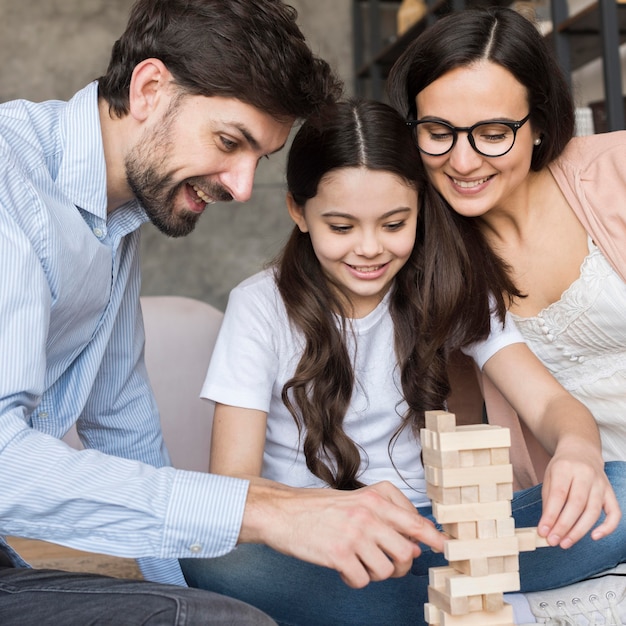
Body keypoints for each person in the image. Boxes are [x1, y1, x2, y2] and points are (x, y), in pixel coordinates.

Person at [0, 1, 450, 624]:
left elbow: (123, 424)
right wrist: (266, 510)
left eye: (258, 159)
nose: (241, 189)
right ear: (150, 88)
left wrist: (188, 598)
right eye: (229, 142)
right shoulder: (9, 182)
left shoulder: (117, 220)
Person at [179, 98, 626, 626]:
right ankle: (476, 603)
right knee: (212, 554)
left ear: (420, 208)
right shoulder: (260, 306)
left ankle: (431, 602)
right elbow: (234, 487)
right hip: (318, 537)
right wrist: (331, 516)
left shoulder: (452, 287)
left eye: (394, 224)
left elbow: (549, 402)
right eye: (341, 227)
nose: (369, 249)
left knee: (618, 490)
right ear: (299, 212)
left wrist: (578, 450)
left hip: (438, 532)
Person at [387, 5, 626, 623]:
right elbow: (467, 445)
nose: (463, 162)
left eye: (493, 132)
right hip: (567, 509)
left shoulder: (617, 174)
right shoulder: (424, 252)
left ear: (541, 123)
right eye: (438, 131)